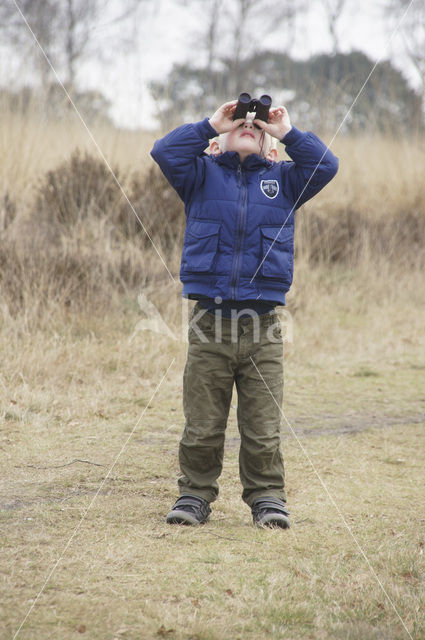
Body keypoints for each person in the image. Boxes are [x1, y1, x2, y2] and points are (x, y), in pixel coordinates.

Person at [150, 98, 339, 528]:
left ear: (273, 150)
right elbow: (164, 152)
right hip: (209, 323)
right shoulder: (199, 175)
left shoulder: (285, 180)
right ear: (216, 145)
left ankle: (268, 497)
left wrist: (286, 133)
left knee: (263, 426)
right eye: (239, 124)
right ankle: (194, 495)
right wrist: (211, 124)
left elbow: (326, 166)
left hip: (264, 327)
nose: (249, 125)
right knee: (202, 422)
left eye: (256, 126)